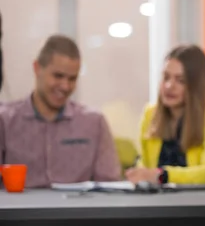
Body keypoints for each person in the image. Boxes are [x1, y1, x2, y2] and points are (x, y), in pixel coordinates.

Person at [0, 34, 120, 188]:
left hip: (79, 212)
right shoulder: (5, 121)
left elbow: (110, 187)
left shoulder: (94, 123)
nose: (65, 86)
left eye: (72, 79)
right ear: (37, 68)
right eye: (58, 76)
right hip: (18, 212)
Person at [126, 45, 205, 185]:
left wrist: (163, 176)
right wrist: (138, 173)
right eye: (166, 77)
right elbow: (145, 165)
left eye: (180, 80)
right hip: (161, 202)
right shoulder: (150, 114)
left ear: (196, 85)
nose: (169, 86)